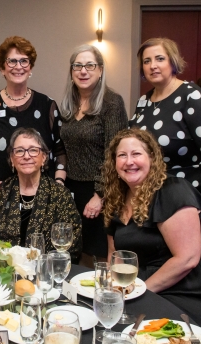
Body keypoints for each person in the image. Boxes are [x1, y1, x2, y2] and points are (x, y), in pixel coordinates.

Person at [103, 128, 201, 337]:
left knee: (129, 337)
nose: (129, 161)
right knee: (104, 321)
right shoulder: (116, 199)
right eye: (122, 155)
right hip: (145, 291)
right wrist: (113, 292)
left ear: (152, 157)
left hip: (193, 297)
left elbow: (187, 258)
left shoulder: (172, 190)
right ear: (114, 163)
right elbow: (114, 255)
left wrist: (137, 292)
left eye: (136, 154)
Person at [0, 36, 66, 218]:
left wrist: (59, 183)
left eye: (24, 61)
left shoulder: (47, 106)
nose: (18, 66)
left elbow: (60, 150)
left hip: (43, 201)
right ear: (2, 68)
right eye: (12, 61)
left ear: (31, 68)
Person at [131, 38, 201, 204]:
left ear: (173, 62)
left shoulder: (192, 96)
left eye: (160, 59)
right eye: (146, 61)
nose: (152, 65)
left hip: (182, 196)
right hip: (146, 193)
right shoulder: (144, 101)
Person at [59, 44, 128, 267]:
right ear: (71, 72)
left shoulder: (112, 102)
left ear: (100, 70)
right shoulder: (70, 105)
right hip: (73, 189)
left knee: (100, 253)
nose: (83, 71)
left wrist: (100, 194)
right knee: (76, 249)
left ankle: (102, 298)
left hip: (100, 190)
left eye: (90, 65)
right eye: (77, 66)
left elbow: (114, 152)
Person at [0, 128, 82, 263]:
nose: (26, 156)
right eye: (20, 151)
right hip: (4, 272)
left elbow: (72, 246)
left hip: (46, 273)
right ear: (12, 159)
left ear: (44, 157)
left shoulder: (60, 195)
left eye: (33, 150)